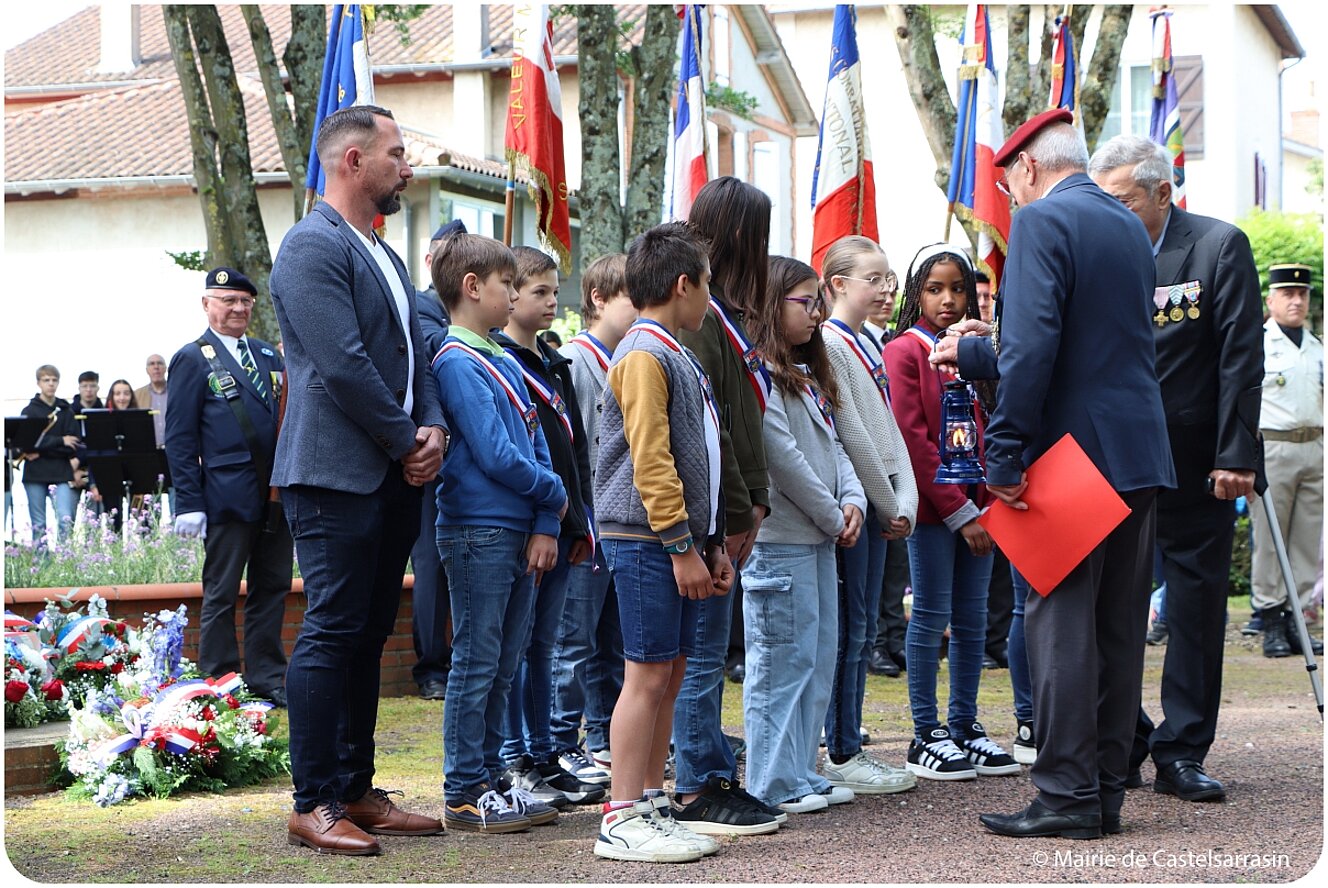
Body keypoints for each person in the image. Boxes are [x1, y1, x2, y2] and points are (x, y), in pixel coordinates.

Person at [967, 109, 1174, 839]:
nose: (1011, 200)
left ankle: (1064, 795)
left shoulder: (1044, 224)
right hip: (1137, 450)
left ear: (1027, 169)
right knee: (1117, 628)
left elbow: (1033, 349)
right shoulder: (1127, 224)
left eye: (1008, 185)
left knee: (1059, 628)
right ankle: (1105, 792)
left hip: (1070, 457)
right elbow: (1095, 344)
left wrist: (1004, 455)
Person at [270, 104, 447, 855]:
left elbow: (414, 350)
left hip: (391, 471)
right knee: (332, 630)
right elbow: (343, 363)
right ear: (353, 162)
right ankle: (312, 802)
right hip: (336, 473)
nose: (406, 167)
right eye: (396, 154)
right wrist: (407, 437)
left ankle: (355, 790)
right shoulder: (311, 247)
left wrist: (431, 425)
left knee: (371, 633)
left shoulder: (385, 253)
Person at [1088, 134, 1265, 800]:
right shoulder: (1099, 253)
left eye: (1124, 201)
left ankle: (1183, 749)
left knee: (1192, 609)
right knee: (1111, 605)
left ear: (1163, 192)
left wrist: (1236, 456)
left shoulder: (1217, 247)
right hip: (1113, 461)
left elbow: (1240, 360)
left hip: (1197, 465)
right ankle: (1122, 739)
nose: (1111, 215)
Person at [593, 221, 733, 862]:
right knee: (646, 673)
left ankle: (651, 799)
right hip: (645, 536)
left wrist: (710, 542)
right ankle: (620, 816)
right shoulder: (645, 353)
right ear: (684, 285)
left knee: (669, 671)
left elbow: (701, 453)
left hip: (672, 538)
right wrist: (681, 544)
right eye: (708, 286)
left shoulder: (671, 350)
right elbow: (651, 458)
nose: (711, 299)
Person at [430, 232, 568, 833]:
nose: (514, 295)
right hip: (477, 528)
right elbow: (495, 453)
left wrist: (545, 517)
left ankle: (490, 777)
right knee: (478, 661)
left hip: (517, 524)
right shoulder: (456, 360)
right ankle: (463, 789)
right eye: (508, 285)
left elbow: (535, 437)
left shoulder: (502, 358)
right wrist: (557, 494)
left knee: (504, 663)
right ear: (471, 288)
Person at [672, 177, 782, 834]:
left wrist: (756, 502)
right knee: (702, 650)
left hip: (737, 506)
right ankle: (696, 782)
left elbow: (744, 417)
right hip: (712, 512)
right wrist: (730, 516)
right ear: (738, 234)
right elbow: (703, 423)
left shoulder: (729, 314)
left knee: (710, 647)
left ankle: (709, 764)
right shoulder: (702, 320)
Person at [886, 245, 1016, 782]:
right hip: (940, 511)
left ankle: (965, 723)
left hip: (981, 509)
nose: (947, 299)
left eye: (958, 289)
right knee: (932, 616)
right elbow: (913, 441)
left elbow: (991, 427)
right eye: (936, 289)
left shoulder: (974, 350)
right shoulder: (905, 351)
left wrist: (985, 505)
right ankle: (926, 733)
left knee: (972, 621)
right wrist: (961, 511)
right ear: (918, 292)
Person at [743, 255, 865, 814]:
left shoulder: (808, 374)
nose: (818, 313)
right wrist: (832, 512)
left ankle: (800, 770)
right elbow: (780, 459)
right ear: (772, 305)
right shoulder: (759, 376)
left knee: (817, 655)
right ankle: (771, 780)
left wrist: (853, 500)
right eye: (805, 301)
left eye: (818, 300)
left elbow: (836, 447)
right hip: (781, 541)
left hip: (816, 535)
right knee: (780, 663)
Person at [493, 246, 604, 808]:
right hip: (529, 524)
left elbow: (574, 449)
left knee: (545, 643)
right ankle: (515, 756)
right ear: (509, 294)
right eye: (539, 292)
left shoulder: (555, 363)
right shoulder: (500, 360)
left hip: (564, 521)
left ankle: (544, 752)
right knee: (516, 646)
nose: (550, 301)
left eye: (554, 291)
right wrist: (550, 515)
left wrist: (580, 518)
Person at [166, 267, 293, 707]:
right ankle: (220, 678)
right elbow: (180, 437)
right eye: (228, 301)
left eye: (245, 302)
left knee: (272, 587)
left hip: (274, 495)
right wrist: (188, 502)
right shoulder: (192, 357)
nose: (238, 309)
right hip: (225, 495)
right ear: (207, 305)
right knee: (221, 591)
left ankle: (266, 676)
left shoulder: (267, 356)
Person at [819, 235, 919, 793]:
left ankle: (848, 738)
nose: (886, 289)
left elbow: (890, 433)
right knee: (852, 628)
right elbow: (853, 433)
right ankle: (842, 746)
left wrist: (902, 501)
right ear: (839, 285)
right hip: (862, 505)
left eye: (888, 279)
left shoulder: (869, 343)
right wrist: (887, 500)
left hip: (883, 505)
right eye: (873, 279)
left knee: (862, 626)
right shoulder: (833, 345)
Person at [551, 253, 633, 783]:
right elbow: (579, 448)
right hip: (590, 525)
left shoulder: (621, 358)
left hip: (612, 527)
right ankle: (562, 739)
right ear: (599, 299)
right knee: (573, 641)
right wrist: (583, 520)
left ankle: (602, 735)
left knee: (611, 640)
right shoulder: (581, 362)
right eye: (633, 299)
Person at [1250, 264, 1323, 657]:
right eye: (1288, 294)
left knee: (1305, 543)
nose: (1297, 301)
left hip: (1313, 447)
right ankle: (1271, 620)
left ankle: (1297, 621)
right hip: (1274, 448)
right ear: (1271, 300)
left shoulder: (1317, 346)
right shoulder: (1259, 344)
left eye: (1303, 295)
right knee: (1270, 540)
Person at [411, 220, 464, 702]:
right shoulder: (422, 307)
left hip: (473, 460)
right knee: (430, 562)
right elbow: (431, 352)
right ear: (431, 261)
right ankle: (431, 665)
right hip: (433, 454)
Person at [19, 364, 79, 543]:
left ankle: (64, 562)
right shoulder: (29, 411)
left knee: (65, 519)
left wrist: (41, 450)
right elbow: (26, 445)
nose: (51, 384)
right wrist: (60, 440)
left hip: (60, 471)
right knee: (38, 524)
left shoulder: (65, 410)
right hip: (35, 473)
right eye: (46, 380)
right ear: (39, 383)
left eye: (54, 380)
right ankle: (40, 566)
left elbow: (73, 445)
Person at [87, 379, 137, 532]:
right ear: (111, 397)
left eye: (126, 393)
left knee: (144, 523)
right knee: (113, 525)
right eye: (117, 394)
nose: (122, 398)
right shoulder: (101, 420)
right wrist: (94, 484)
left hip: (135, 477)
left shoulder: (138, 419)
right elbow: (94, 454)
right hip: (108, 476)